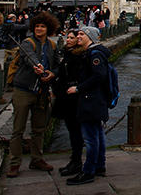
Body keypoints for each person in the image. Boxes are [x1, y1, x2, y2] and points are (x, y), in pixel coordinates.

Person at [7, 11, 59, 178]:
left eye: (42, 26)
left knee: (39, 128)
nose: (39, 29)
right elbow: (27, 55)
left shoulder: (52, 45)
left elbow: (57, 65)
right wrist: (36, 66)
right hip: (24, 89)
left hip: (42, 91)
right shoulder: (27, 42)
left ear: (48, 29)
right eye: (37, 26)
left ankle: (37, 158)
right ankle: (14, 163)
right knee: (18, 129)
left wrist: (52, 73)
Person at [66, 26, 111, 186]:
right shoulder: (93, 53)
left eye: (81, 34)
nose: (78, 36)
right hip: (96, 100)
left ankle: (89, 171)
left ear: (90, 37)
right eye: (78, 34)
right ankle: (99, 166)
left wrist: (78, 88)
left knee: (91, 138)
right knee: (97, 134)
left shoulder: (94, 54)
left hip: (91, 100)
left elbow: (99, 75)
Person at [52, 28, 87, 176]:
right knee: (72, 130)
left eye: (73, 38)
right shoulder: (67, 54)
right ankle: (74, 161)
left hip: (73, 98)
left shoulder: (79, 57)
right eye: (69, 37)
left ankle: (77, 162)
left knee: (75, 131)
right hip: (65, 96)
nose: (69, 40)